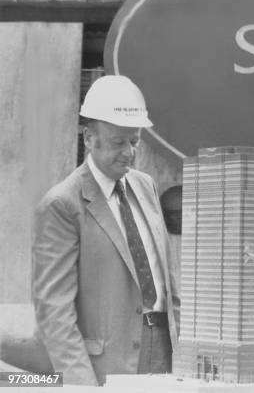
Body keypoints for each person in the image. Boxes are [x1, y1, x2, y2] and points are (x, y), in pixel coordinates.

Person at [32, 75, 180, 385]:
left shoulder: (146, 186)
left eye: (135, 141)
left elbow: (167, 279)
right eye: (118, 142)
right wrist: (82, 385)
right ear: (88, 138)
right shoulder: (62, 205)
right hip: (104, 368)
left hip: (166, 354)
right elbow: (54, 312)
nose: (129, 152)